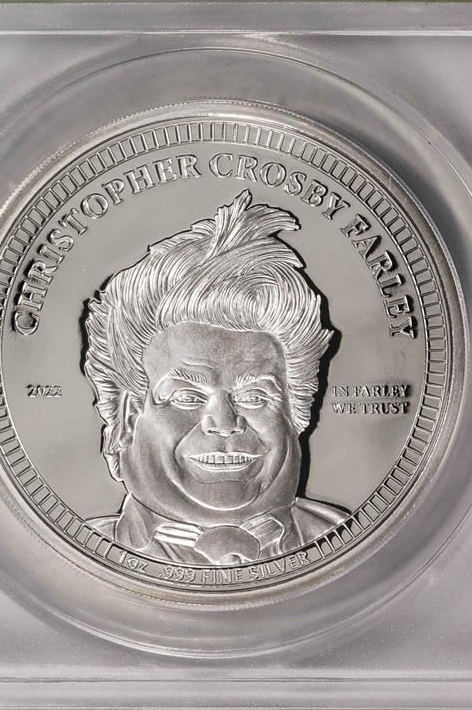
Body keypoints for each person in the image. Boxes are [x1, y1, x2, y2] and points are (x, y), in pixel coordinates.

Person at [81, 190, 348, 565]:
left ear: (295, 414)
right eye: (187, 397)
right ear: (126, 419)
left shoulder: (358, 541)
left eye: (254, 397)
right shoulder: (68, 557)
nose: (225, 423)